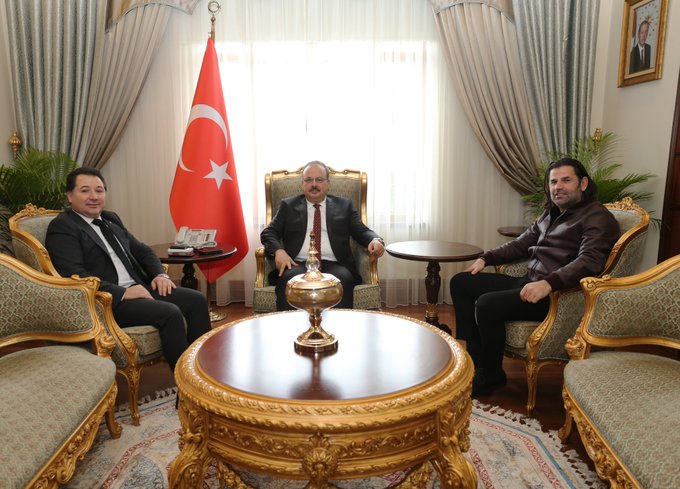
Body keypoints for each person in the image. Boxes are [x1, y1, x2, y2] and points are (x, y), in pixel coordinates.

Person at [450, 158, 619, 395]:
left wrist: (549, 283)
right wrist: (486, 258)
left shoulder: (597, 217)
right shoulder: (550, 214)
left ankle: (492, 374)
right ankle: (476, 360)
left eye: (566, 180)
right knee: (461, 282)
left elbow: (589, 262)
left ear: (583, 184)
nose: (558, 187)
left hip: (556, 295)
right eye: (553, 182)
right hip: (528, 282)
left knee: (487, 303)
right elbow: (521, 244)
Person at [46, 167, 211, 372]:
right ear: (70, 196)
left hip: (139, 288)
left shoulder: (110, 219)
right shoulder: (63, 227)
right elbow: (75, 275)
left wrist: (160, 274)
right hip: (107, 301)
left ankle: (205, 371)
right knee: (170, 313)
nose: (94, 196)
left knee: (196, 300)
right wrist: (123, 293)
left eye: (99, 190)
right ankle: (186, 379)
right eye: (85, 190)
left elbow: (143, 251)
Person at [261, 161, 385, 310]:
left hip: (334, 264)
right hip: (298, 264)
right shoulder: (288, 206)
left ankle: (338, 325)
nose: (314, 184)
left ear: (328, 184)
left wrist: (375, 240)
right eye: (309, 180)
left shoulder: (344, 206)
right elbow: (268, 232)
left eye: (319, 180)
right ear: (302, 184)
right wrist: (278, 251)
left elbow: (362, 231)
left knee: (343, 280)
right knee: (289, 281)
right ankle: (290, 324)